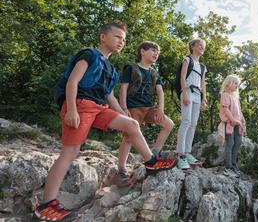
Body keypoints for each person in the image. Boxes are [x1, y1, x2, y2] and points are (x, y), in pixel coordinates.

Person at [34, 22, 168, 221]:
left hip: (99, 108)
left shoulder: (111, 69)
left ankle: (151, 162)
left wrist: (123, 113)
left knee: (132, 125)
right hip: (81, 104)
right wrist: (71, 108)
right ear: (103, 37)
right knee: (71, 152)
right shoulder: (89, 55)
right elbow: (73, 81)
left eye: (123, 39)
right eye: (117, 37)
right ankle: (45, 205)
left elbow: (109, 96)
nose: (121, 41)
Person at [114, 41, 175, 186]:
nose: (156, 54)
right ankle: (121, 170)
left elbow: (160, 91)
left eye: (157, 52)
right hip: (133, 108)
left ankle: (153, 155)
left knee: (168, 124)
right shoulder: (131, 68)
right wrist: (123, 107)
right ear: (142, 51)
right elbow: (123, 88)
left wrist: (160, 109)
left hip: (149, 109)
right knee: (128, 137)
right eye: (153, 50)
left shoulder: (154, 72)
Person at [176, 38, 207, 170]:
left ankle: (188, 153)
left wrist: (204, 98)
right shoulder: (187, 60)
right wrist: (184, 93)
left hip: (197, 95)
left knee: (193, 124)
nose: (202, 47)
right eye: (200, 45)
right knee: (186, 121)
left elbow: (203, 83)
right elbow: (183, 77)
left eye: (203, 46)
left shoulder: (202, 66)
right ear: (192, 46)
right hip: (188, 91)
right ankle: (180, 154)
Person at [219, 74, 246, 178]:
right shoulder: (225, 95)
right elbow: (225, 109)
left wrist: (242, 119)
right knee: (230, 143)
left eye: (238, 84)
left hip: (237, 123)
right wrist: (232, 119)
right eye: (235, 83)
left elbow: (239, 110)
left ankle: (234, 164)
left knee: (238, 142)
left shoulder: (235, 97)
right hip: (229, 123)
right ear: (228, 83)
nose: (236, 86)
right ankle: (228, 167)